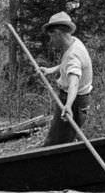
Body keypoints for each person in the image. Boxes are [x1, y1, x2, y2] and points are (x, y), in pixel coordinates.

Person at [39, 10, 93, 146]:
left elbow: (73, 83)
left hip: (74, 102)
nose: (51, 41)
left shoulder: (73, 55)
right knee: (63, 138)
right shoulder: (75, 42)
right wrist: (51, 70)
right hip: (76, 99)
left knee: (57, 143)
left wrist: (68, 105)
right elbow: (67, 65)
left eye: (51, 37)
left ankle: (53, 165)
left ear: (58, 33)